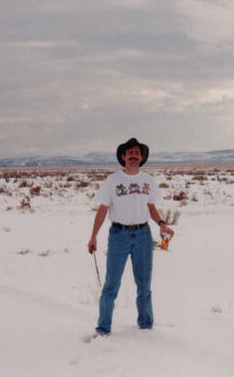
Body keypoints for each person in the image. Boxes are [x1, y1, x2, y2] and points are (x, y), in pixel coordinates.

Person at [87, 137, 174, 335]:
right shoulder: (113, 180)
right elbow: (102, 209)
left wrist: (161, 224)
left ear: (142, 157)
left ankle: (146, 327)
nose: (133, 156)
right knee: (111, 285)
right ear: (123, 157)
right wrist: (93, 236)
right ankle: (103, 329)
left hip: (143, 235)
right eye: (130, 153)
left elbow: (151, 207)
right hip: (118, 235)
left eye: (137, 153)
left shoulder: (148, 181)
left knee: (144, 285)